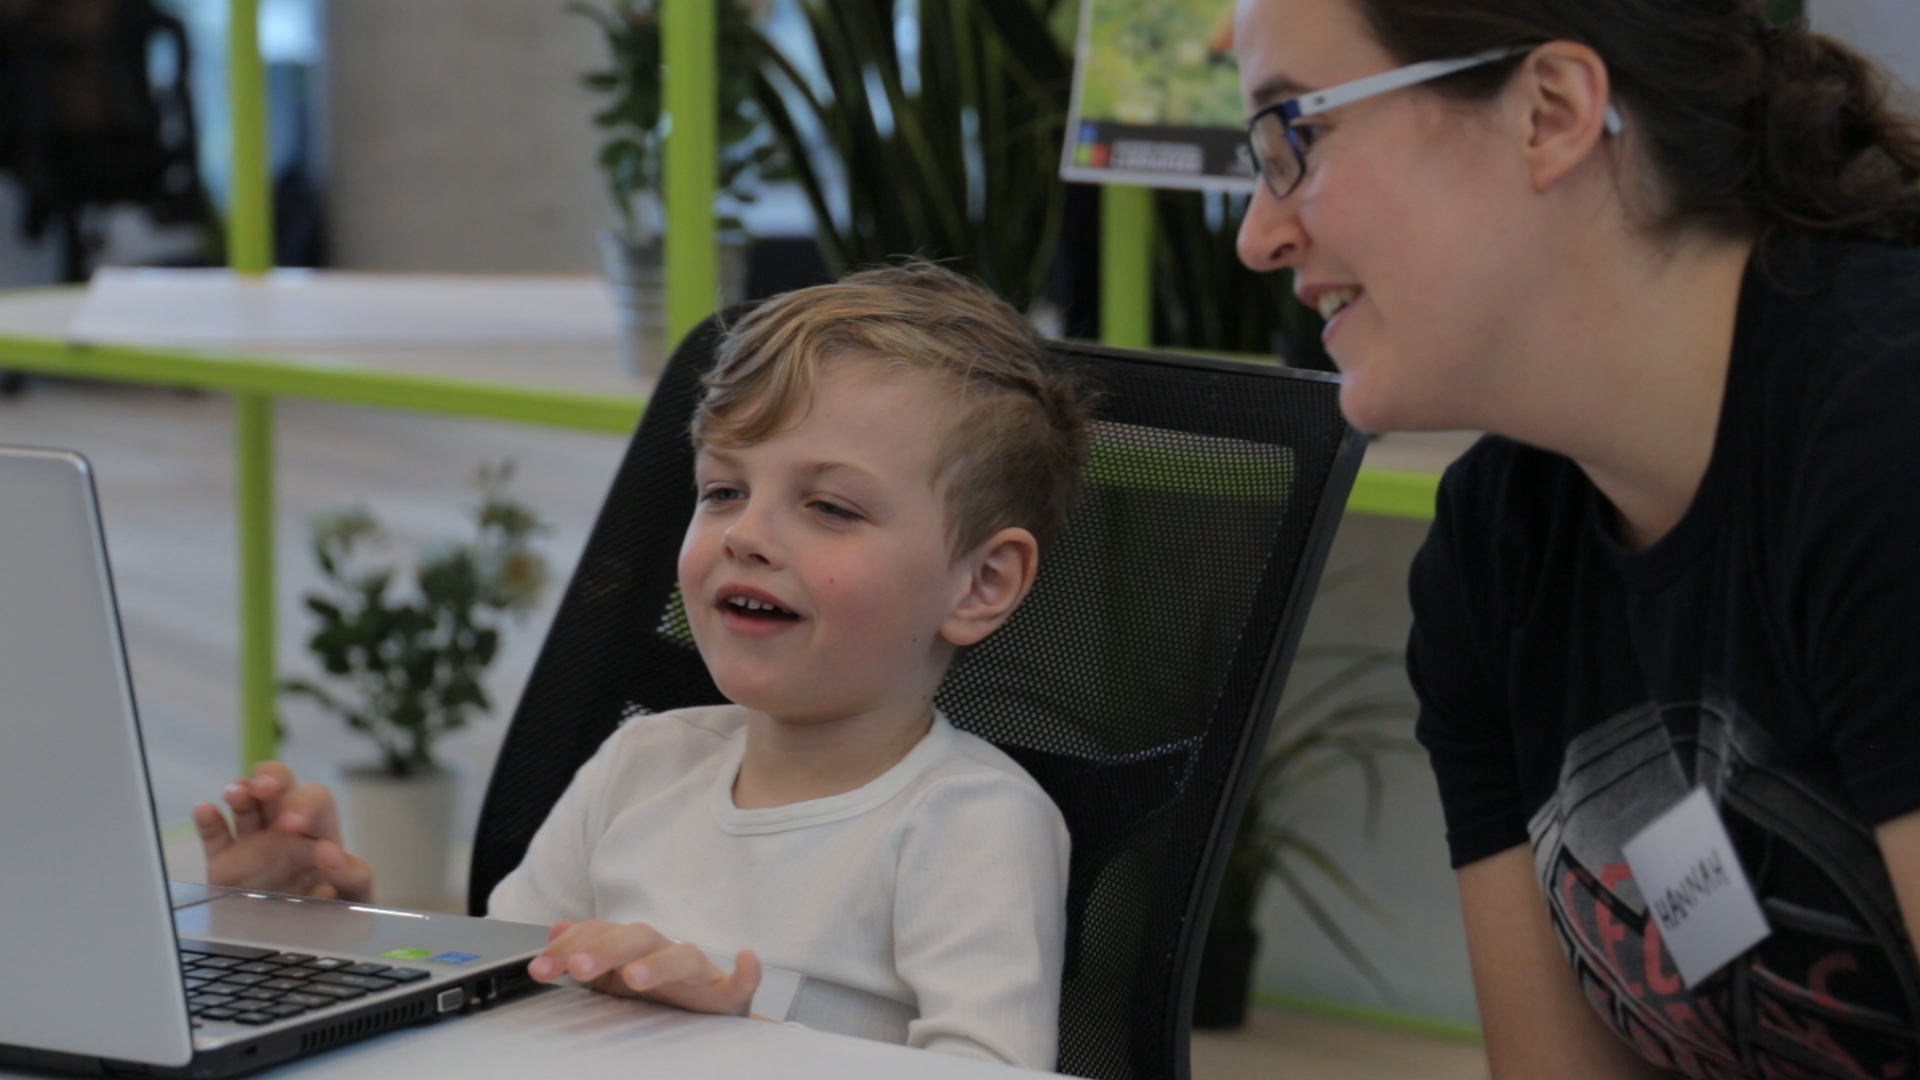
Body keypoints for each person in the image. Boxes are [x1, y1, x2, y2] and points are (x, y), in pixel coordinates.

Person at [1232, 0, 1920, 1077]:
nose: (1257, 235)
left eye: (1300, 135)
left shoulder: (1888, 438)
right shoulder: (1498, 544)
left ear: (1550, 111)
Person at [190, 262, 1088, 1069]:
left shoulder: (969, 823)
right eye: (723, 490)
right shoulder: (640, 764)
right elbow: (487, 1015)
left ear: (982, 584)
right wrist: (314, 933)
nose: (745, 534)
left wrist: (739, 1030)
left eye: (830, 507)